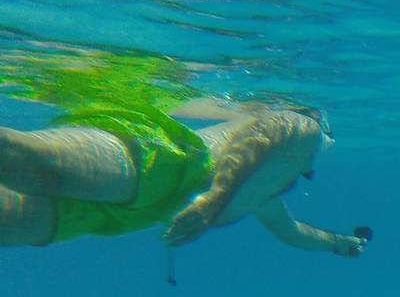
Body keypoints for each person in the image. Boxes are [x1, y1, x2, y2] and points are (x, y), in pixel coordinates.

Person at [0, 93, 371, 258]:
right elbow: (264, 135)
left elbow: (293, 233)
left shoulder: (264, 193)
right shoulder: (304, 128)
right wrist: (213, 202)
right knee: (32, 163)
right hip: (162, 159)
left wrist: (339, 243)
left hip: (127, 215)